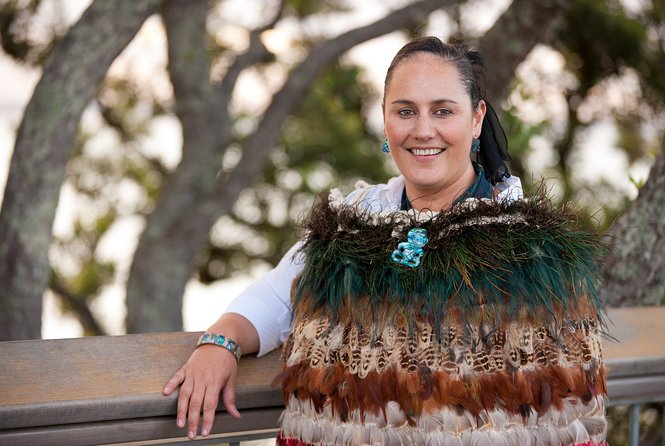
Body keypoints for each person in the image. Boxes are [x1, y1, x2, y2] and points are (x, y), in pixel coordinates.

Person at [164, 36, 608, 445]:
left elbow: (561, 396)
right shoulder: (354, 220)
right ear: (385, 119)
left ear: (476, 119)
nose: (423, 130)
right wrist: (218, 345)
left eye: (443, 110)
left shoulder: (530, 244)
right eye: (405, 111)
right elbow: (275, 300)